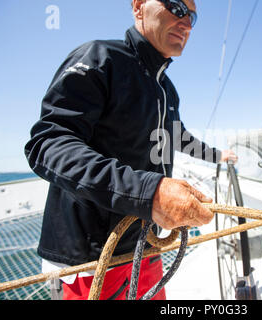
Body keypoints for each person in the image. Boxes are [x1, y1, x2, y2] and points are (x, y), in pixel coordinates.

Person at [24, 0, 237, 300]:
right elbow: (48, 144)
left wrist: (219, 156)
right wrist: (150, 194)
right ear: (139, 6)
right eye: (177, 7)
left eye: (193, 17)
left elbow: (178, 136)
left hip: (144, 247)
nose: (187, 24)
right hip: (92, 262)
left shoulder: (167, 89)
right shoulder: (100, 58)